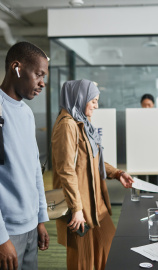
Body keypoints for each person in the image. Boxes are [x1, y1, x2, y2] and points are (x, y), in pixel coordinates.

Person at [51, 79, 133, 270]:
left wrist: (117, 173)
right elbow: (66, 170)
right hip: (81, 207)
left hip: (97, 205)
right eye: (93, 100)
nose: (96, 106)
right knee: (84, 261)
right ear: (80, 98)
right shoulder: (67, 125)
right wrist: (77, 208)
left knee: (109, 250)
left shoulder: (83, 123)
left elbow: (93, 160)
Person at [0, 42, 50, 270]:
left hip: (30, 227)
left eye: (44, 76)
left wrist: (40, 219)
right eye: (38, 74)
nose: (43, 83)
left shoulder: (28, 113)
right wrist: (1, 238)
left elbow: (34, 169)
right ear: (16, 68)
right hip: (7, 232)